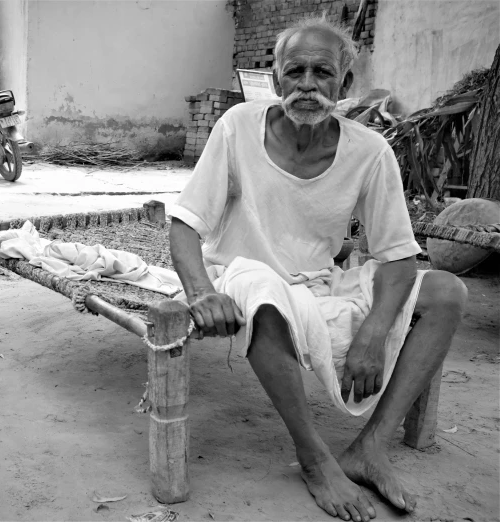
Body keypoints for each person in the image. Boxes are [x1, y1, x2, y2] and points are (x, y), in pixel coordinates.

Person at [169, 15, 467, 522]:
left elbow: (398, 256)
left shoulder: (370, 152)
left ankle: (369, 448)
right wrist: (200, 291)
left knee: (448, 293)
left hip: (318, 282)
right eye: (295, 71)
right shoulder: (238, 126)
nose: (307, 85)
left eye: (322, 73)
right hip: (243, 276)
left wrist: (375, 331)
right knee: (261, 290)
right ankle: (314, 458)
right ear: (277, 78)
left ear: (344, 83)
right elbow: (184, 225)